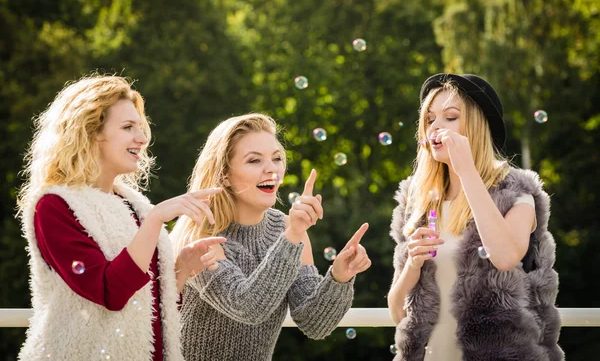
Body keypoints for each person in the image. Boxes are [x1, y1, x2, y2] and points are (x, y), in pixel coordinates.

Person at [16, 75, 226, 361]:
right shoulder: (54, 206)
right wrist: (155, 220)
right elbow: (109, 293)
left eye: (140, 127)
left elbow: (149, 309)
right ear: (89, 132)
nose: (142, 138)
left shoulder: (133, 204)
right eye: (128, 127)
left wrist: (181, 270)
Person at [387, 74, 564, 360]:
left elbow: (505, 256)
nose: (436, 127)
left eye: (451, 117)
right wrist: (412, 267)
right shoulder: (418, 203)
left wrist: (467, 170)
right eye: (430, 119)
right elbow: (398, 313)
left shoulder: (516, 193)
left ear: (478, 128)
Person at [170, 113, 372, 361]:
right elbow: (248, 307)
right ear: (223, 174)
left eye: (277, 158)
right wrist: (293, 235)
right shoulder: (200, 235)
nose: (272, 169)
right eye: (254, 160)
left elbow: (314, 324)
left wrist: (339, 277)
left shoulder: (287, 229)